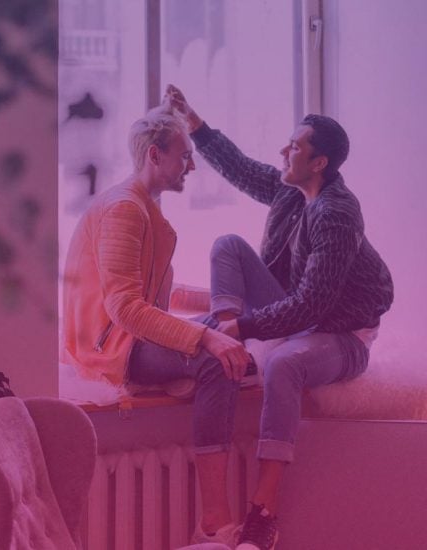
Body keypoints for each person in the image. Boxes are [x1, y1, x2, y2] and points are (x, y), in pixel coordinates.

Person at [166, 84, 394, 550]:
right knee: (228, 244)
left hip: (344, 333)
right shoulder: (290, 191)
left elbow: (311, 307)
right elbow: (240, 168)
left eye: (295, 146)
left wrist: (243, 325)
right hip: (302, 316)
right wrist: (195, 123)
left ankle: (262, 514)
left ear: (319, 163)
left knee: (285, 364)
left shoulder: (336, 212)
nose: (284, 150)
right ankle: (234, 357)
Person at [62, 106, 253, 546]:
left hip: (132, 333)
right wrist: (205, 336)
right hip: (111, 345)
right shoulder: (124, 209)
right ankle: (212, 518)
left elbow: (156, 294)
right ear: (154, 155)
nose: (191, 164)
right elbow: (126, 307)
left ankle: (180, 376)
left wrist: (223, 308)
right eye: (184, 155)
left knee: (235, 338)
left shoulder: (141, 208)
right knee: (214, 361)